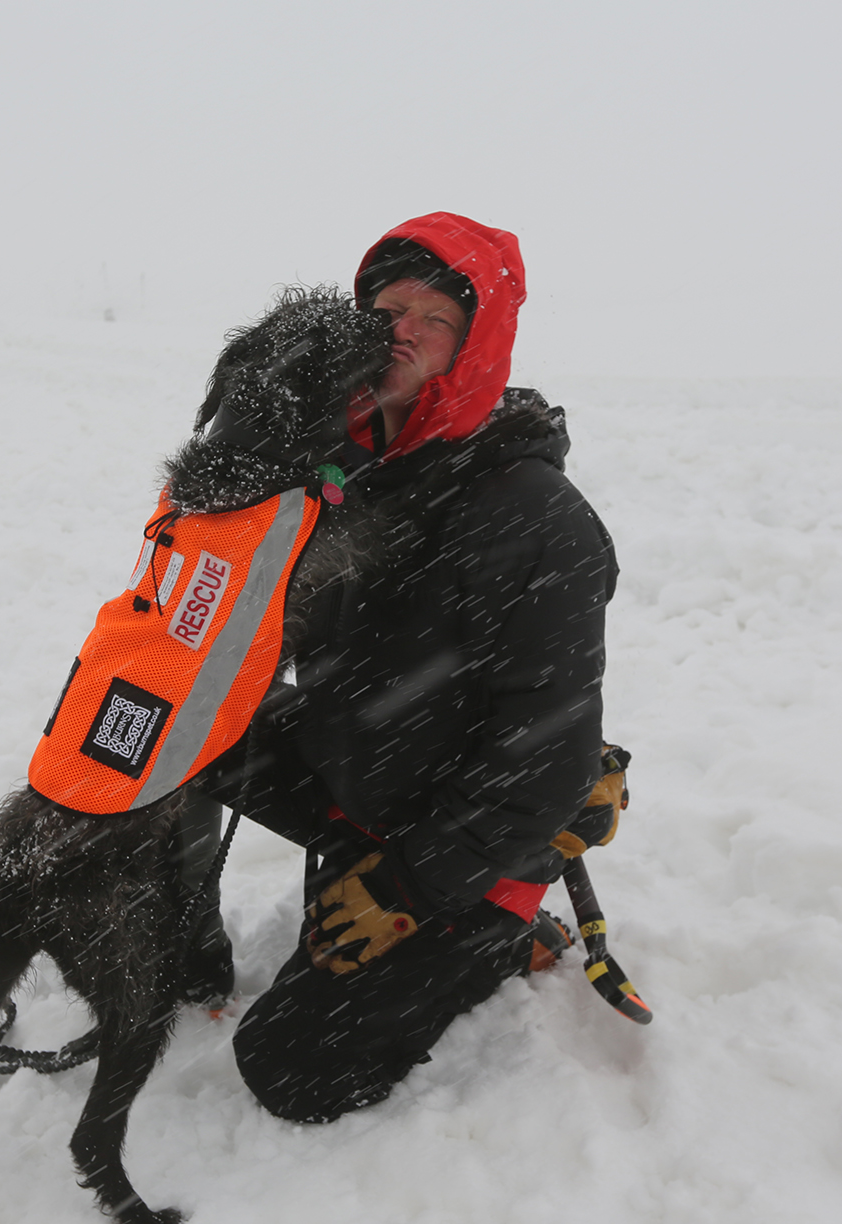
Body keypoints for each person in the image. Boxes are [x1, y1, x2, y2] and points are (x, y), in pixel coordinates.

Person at [201, 212, 619, 1123]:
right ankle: (177, 944)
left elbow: (539, 754)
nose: (403, 329)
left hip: (468, 842)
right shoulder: (335, 473)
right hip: (360, 776)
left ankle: (511, 926)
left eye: (436, 318)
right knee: (171, 721)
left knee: (291, 1069)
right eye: (387, 306)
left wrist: (404, 888)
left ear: (477, 347)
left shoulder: (538, 517)